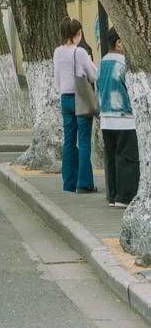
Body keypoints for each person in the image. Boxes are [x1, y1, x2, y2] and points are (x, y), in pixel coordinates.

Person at [53, 18, 98, 193]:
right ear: (77, 34)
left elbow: (57, 79)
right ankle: (84, 184)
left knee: (69, 142)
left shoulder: (57, 52)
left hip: (65, 99)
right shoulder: (79, 52)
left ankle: (69, 184)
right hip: (81, 98)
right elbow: (93, 74)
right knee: (84, 141)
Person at [98, 28, 139, 207]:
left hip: (106, 118)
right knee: (127, 158)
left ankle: (112, 196)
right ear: (119, 42)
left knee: (111, 158)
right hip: (125, 118)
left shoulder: (102, 63)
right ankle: (125, 197)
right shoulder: (124, 64)